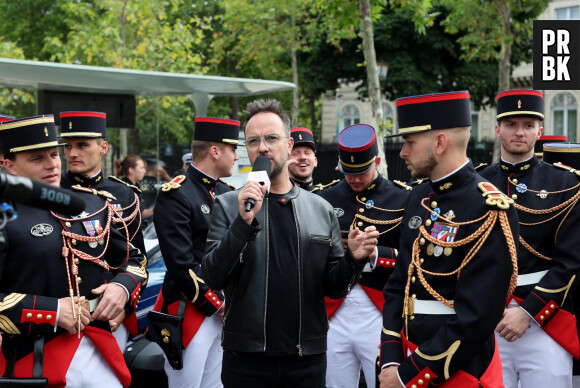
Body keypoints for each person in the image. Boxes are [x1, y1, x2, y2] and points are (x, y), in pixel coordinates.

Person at [202, 98, 379, 388]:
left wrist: (354, 259)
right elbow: (213, 275)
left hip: (306, 359)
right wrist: (243, 222)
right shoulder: (227, 205)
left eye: (271, 138)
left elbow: (334, 287)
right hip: (245, 357)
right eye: (253, 141)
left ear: (288, 145)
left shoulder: (321, 209)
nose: (262, 147)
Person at [378, 91, 519, 388]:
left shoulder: (489, 208)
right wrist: (392, 357)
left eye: (410, 142)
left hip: (459, 368)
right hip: (408, 355)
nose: (403, 152)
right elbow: (398, 286)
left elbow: (477, 316)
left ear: (440, 143)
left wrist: (408, 376)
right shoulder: (418, 196)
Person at [0, 115, 147, 387]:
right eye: (36, 159)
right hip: (36, 358)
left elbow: (134, 260)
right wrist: (52, 311)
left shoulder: (92, 204)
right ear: (10, 166)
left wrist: (122, 288)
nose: (52, 164)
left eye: (54, 154)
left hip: (100, 347)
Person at [478, 89, 580, 388]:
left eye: (527, 124)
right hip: (486, 321)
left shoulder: (566, 184)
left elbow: (571, 262)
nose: (519, 132)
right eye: (511, 124)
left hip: (543, 322)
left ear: (540, 130)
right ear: (497, 130)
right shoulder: (477, 183)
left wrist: (528, 312)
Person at [317, 123, 410, 388]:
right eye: (349, 172)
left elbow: (411, 257)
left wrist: (374, 254)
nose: (355, 179)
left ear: (378, 162)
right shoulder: (325, 198)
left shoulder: (401, 198)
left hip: (380, 308)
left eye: (362, 171)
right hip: (333, 309)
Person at [151, 116, 239, 388]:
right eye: (233, 149)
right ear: (215, 151)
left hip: (225, 309)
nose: (236, 157)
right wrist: (216, 303)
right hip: (190, 308)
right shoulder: (176, 194)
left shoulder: (227, 192)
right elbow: (180, 264)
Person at [59, 111, 146, 348]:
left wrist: (125, 306)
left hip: (112, 313)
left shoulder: (125, 193)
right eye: (67, 146)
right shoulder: (54, 190)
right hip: (66, 317)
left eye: (82, 145)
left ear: (103, 147)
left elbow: (138, 259)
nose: (72, 153)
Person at [116, 154, 153, 221]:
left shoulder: (135, 186)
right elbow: (140, 213)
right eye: (141, 168)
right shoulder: (125, 188)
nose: (144, 171)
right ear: (131, 170)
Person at [288, 127, 319, 191]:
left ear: (315, 161)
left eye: (307, 153)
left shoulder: (325, 196)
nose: (303, 157)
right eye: (296, 153)